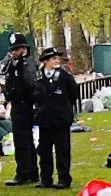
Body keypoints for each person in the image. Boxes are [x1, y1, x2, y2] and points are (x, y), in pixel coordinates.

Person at [32, 47, 80, 188]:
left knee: (62, 150)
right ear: (45, 61)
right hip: (45, 119)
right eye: (53, 58)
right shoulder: (38, 76)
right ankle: (46, 178)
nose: (56, 61)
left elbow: (73, 94)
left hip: (60, 119)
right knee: (44, 150)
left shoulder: (64, 76)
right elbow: (34, 94)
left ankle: (64, 178)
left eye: (57, 58)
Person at [2, 42, 42, 184]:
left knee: (21, 139)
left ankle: (24, 173)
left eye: (15, 49)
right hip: (22, 103)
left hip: (22, 105)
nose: (13, 52)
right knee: (26, 139)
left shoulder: (24, 65)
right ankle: (31, 172)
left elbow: (28, 84)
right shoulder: (21, 63)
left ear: (23, 49)